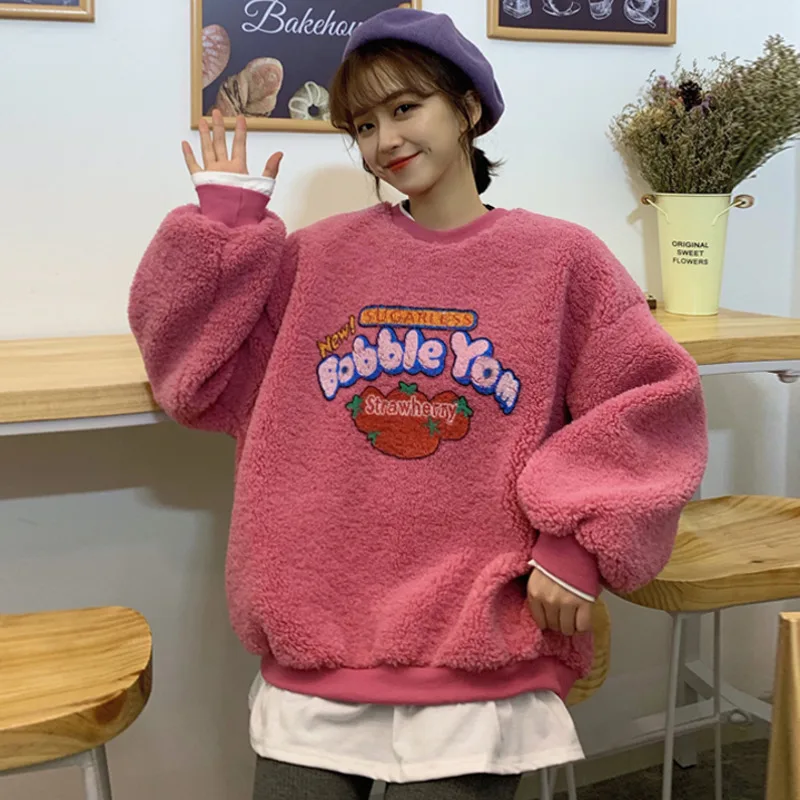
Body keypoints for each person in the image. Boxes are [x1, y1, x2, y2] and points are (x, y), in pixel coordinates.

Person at [129, 8, 708, 800]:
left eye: (405, 108)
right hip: (320, 647)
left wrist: (576, 546)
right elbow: (202, 381)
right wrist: (223, 236)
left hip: (479, 646)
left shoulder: (561, 261)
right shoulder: (317, 261)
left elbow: (650, 399)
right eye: (364, 125)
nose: (385, 141)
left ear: (467, 107)